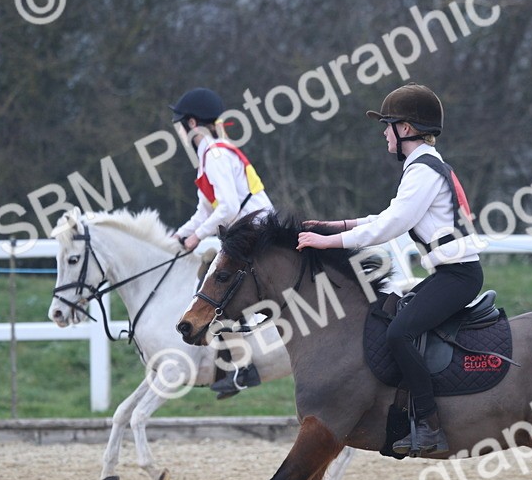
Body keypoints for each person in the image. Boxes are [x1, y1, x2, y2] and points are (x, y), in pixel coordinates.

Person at [297, 83, 484, 458]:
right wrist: (337, 225)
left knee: (399, 334)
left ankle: (431, 425)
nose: (384, 133)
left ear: (407, 129)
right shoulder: (425, 165)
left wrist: (327, 243)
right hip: (449, 273)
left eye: (388, 125)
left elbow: (391, 226)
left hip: (457, 277)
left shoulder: (424, 170)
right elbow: (384, 217)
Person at [170, 87, 274, 398]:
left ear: (190, 124)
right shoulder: (210, 156)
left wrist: (197, 236)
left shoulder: (215, 155)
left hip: (255, 229)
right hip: (245, 229)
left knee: (215, 283)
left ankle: (244, 367)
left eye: (179, 124)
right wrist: (177, 236)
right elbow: (205, 210)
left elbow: (227, 206)